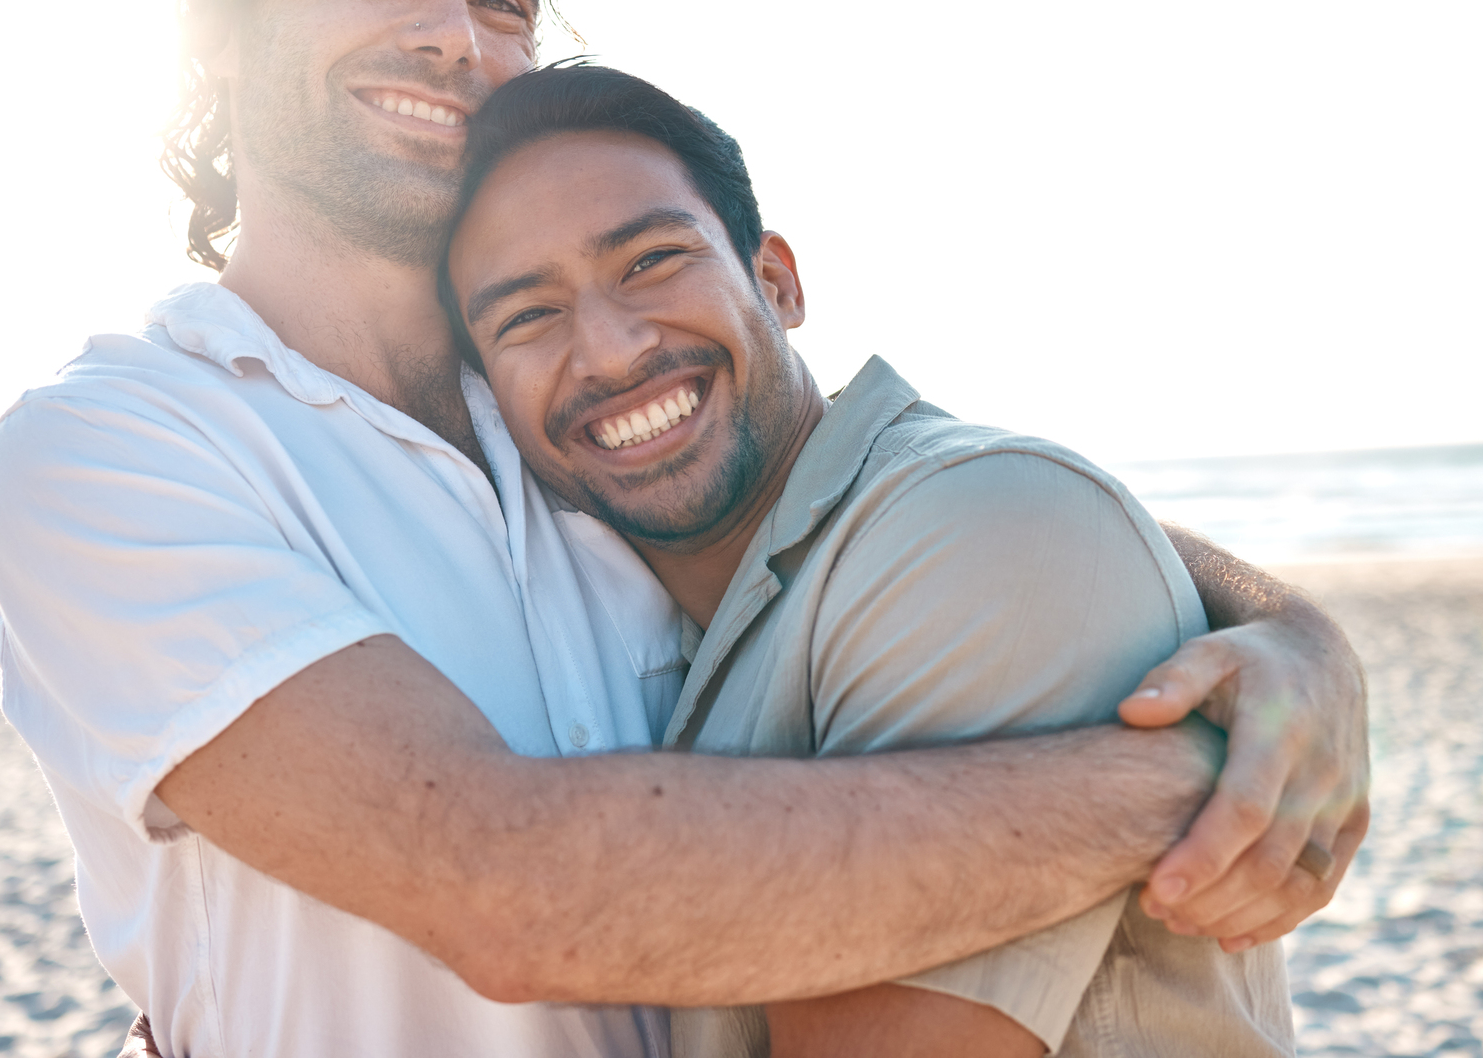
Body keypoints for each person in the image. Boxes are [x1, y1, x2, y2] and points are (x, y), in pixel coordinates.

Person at [0, 0, 1368, 1056]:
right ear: (216, 32)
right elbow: (507, 888)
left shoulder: (565, 416)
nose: (454, 34)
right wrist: (1181, 784)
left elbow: (897, 515)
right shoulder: (120, 449)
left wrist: (1293, 635)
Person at [442, 63, 1318, 1055]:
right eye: (526, 314)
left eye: (649, 260)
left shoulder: (975, 529)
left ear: (774, 282)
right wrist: (1295, 627)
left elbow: (1023, 512)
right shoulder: (678, 615)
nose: (604, 350)